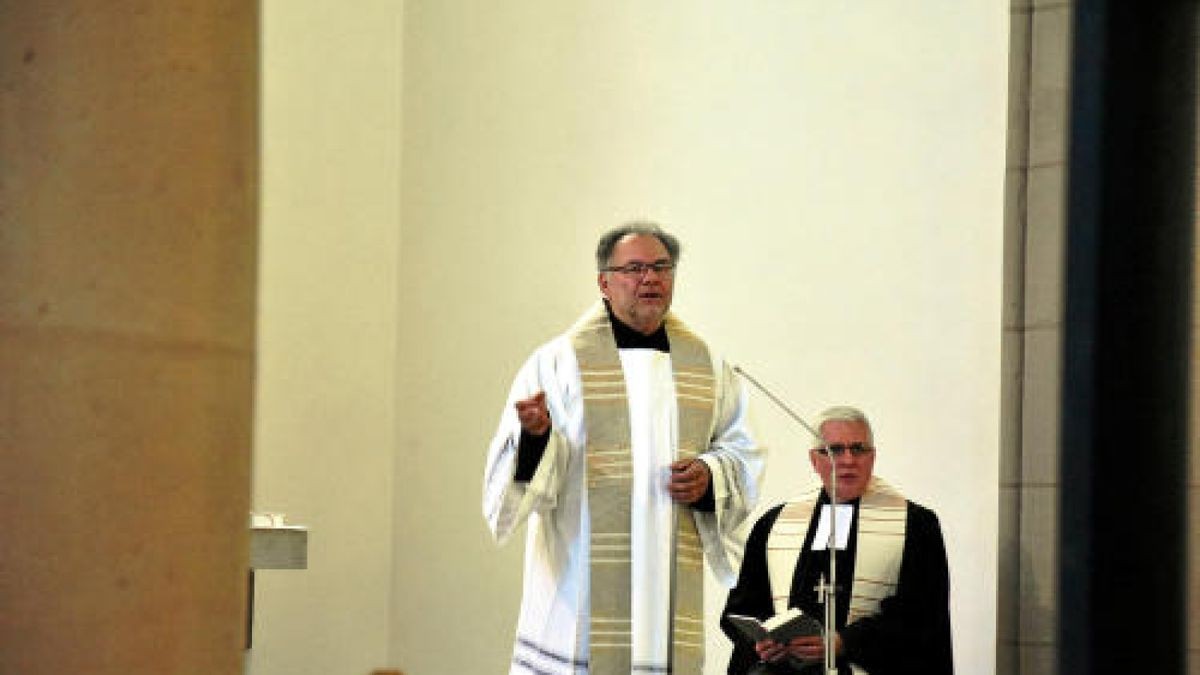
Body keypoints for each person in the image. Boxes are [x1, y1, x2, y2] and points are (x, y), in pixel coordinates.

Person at [483, 222, 765, 675]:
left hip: (668, 579)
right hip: (580, 579)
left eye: (660, 267)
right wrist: (536, 437)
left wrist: (711, 476)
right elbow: (516, 478)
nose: (650, 279)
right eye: (634, 268)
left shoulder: (706, 364)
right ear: (604, 282)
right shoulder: (559, 362)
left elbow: (742, 447)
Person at [720, 406, 952, 675]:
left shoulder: (916, 525)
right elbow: (743, 606)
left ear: (873, 457)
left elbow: (922, 614)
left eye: (858, 449)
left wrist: (845, 642)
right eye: (834, 450)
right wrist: (762, 642)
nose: (848, 460)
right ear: (814, 460)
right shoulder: (774, 524)